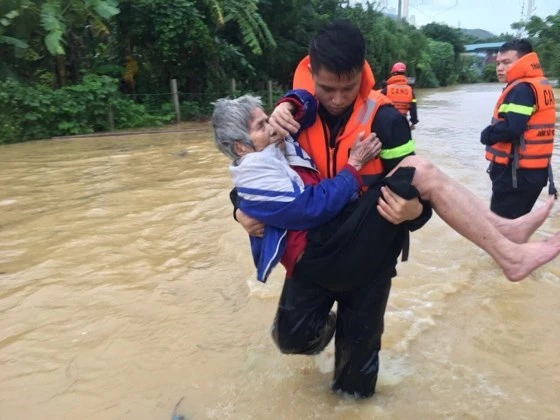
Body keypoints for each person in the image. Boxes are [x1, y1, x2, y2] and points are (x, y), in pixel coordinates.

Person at [230, 20, 557, 398]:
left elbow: (418, 200)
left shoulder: (386, 119)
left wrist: (413, 213)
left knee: (355, 388)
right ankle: (506, 233)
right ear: (311, 75)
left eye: (347, 88)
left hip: (369, 258)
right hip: (313, 256)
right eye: (326, 88)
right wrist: (238, 210)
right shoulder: (292, 116)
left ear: (363, 73)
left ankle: (507, 245)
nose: (336, 99)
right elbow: (249, 174)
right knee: (291, 340)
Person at [481, 39, 557, 219]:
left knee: (501, 230)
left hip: (515, 174)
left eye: (507, 62)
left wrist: (486, 135)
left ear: (525, 61)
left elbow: (511, 128)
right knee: (515, 228)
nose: (500, 68)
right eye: (498, 63)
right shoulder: (539, 85)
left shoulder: (521, 89)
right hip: (532, 172)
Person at [381, 62, 419, 130]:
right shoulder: (410, 90)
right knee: (404, 140)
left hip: (387, 121)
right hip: (403, 121)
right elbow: (413, 108)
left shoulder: (386, 89)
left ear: (393, 74)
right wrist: (413, 122)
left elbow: (377, 105)